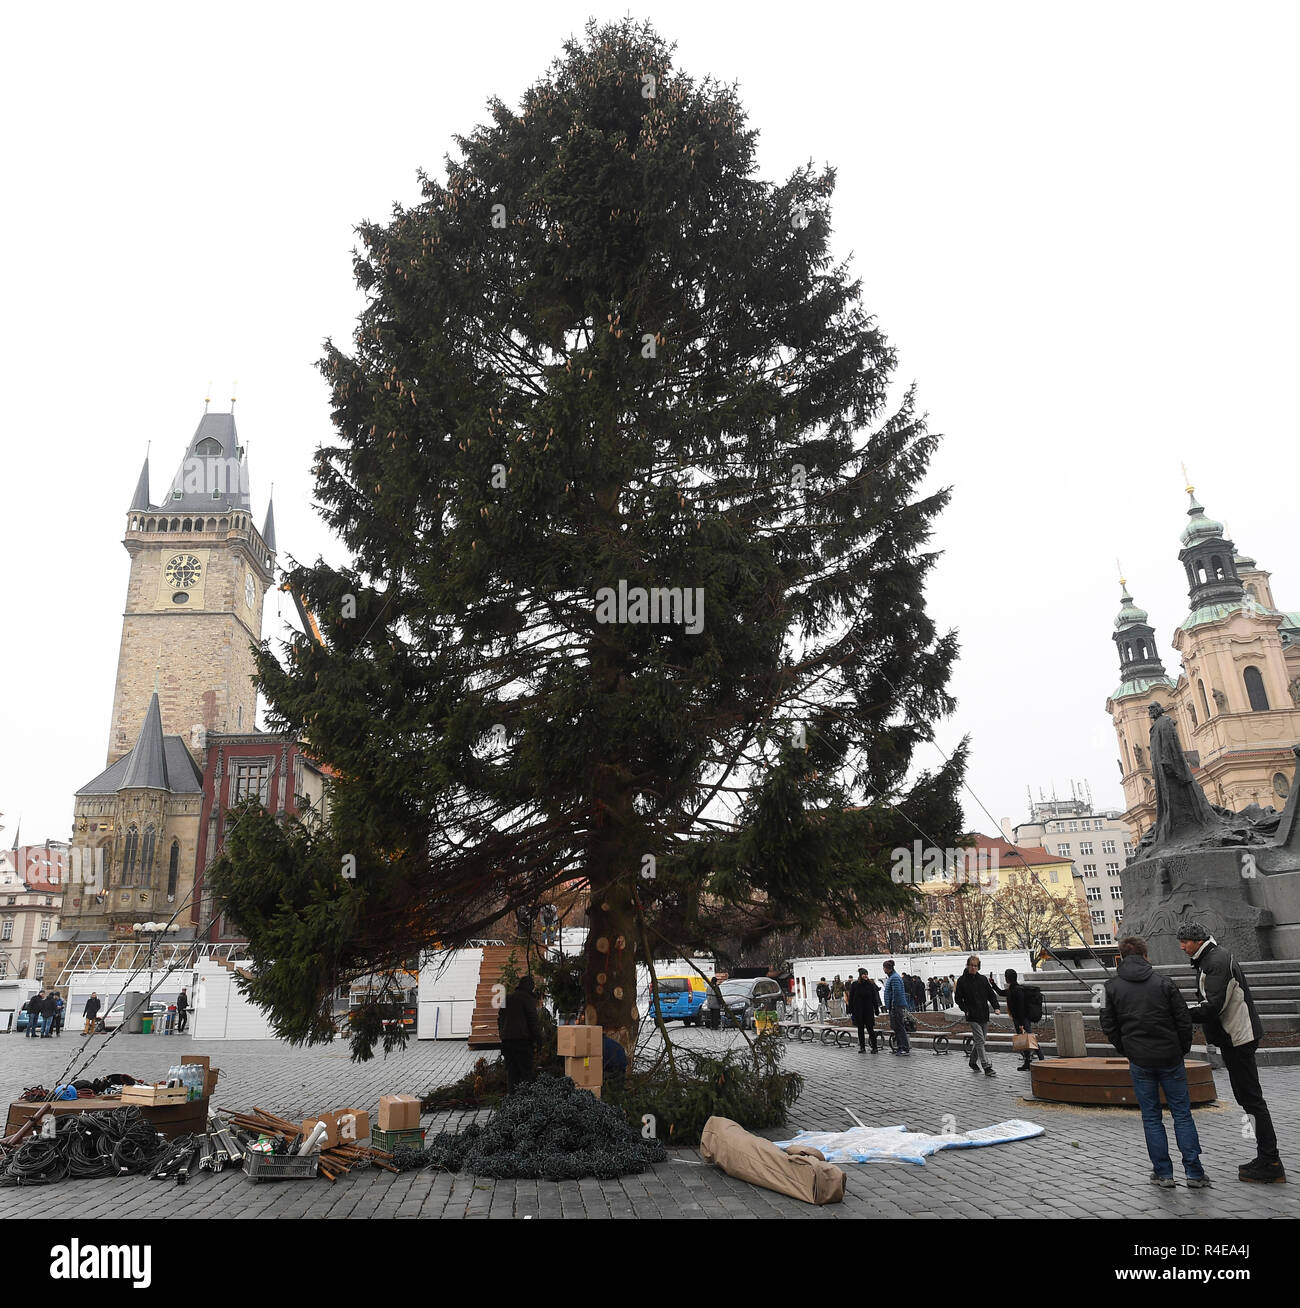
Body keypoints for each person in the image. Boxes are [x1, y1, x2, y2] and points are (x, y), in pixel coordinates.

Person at [1178, 923, 1285, 1184]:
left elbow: (1213, 1005)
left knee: (1252, 1100)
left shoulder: (1215, 960)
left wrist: (1181, 1014)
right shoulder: (1210, 958)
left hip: (1238, 1036)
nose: (1181, 947)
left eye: (1184, 942)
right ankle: (1266, 1157)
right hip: (1234, 1037)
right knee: (1248, 1099)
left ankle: (1270, 1161)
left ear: (1197, 940)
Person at [1100, 935, 1209, 1189]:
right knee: (1182, 1114)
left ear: (1121, 957)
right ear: (1146, 955)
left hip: (1140, 1059)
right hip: (1170, 1056)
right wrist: (1181, 1048)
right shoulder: (1165, 983)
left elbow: (1107, 1024)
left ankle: (1163, 1173)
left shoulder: (1109, 987)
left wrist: (1127, 1048)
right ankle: (1194, 1172)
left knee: (1151, 1117)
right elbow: (1183, 1020)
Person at [954, 955, 1002, 1076]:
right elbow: (958, 999)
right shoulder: (962, 980)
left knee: (980, 1040)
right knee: (980, 1039)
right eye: (971, 965)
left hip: (983, 1013)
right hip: (972, 1014)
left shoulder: (983, 979)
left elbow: (991, 994)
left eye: (975, 966)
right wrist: (966, 1010)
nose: (973, 968)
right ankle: (986, 1066)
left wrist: (996, 1007)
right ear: (967, 965)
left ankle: (972, 1061)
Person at [496, 975, 542, 1093]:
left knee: (512, 1074)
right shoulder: (527, 999)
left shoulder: (507, 998)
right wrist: (539, 1039)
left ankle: (512, 1099)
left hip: (507, 1042)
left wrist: (503, 1035)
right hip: (522, 1042)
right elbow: (533, 1021)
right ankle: (526, 1101)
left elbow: (500, 1019)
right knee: (526, 1073)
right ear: (530, 987)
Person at [1005, 968, 1045, 1070]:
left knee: (1030, 1039)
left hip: (1021, 1019)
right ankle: (1027, 1062)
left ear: (1008, 978)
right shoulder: (1012, 989)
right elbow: (1001, 993)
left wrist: (1021, 1022)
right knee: (1025, 1041)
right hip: (1019, 1019)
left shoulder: (1016, 990)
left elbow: (1020, 1007)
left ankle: (1042, 1059)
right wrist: (993, 984)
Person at [847, 967, 881, 1052]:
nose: (865, 976)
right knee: (860, 1029)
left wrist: (876, 1009)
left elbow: (874, 998)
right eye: (864, 974)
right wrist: (850, 1009)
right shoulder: (855, 984)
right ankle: (862, 1047)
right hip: (858, 1010)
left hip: (868, 1010)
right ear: (860, 975)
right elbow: (851, 998)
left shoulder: (870, 984)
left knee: (870, 1029)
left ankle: (874, 1047)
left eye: (866, 974)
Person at [882, 960, 910, 1055]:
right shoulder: (892, 977)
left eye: (884, 968)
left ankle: (903, 1047)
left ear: (887, 968)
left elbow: (896, 993)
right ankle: (900, 1046)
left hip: (897, 1006)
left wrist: (893, 1006)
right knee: (896, 1027)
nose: (883, 969)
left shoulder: (894, 978)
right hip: (895, 1006)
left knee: (899, 1027)